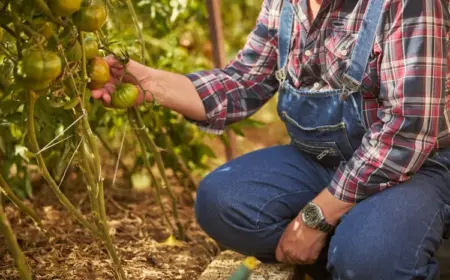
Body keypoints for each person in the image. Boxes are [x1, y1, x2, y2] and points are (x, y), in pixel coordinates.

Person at [92, 0, 450, 278]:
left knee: (369, 259)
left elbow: (410, 128)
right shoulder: (286, 5)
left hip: (415, 167)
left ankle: (375, 253)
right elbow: (243, 82)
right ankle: (361, 248)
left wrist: (316, 216)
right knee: (222, 201)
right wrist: (148, 83)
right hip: (326, 160)